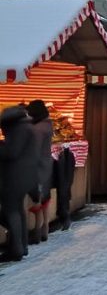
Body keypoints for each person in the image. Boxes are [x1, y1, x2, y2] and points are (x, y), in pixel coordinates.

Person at [0, 106, 38, 262]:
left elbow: (11, 152)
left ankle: (16, 249)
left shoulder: (18, 129)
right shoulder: (26, 126)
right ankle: (22, 246)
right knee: (18, 211)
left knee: (11, 211)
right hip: (25, 175)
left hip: (14, 176)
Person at [27, 100, 54, 244]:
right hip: (47, 164)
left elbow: (34, 150)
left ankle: (37, 232)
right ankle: (45, 229)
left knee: (37, 199)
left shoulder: (38, 129)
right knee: (45, 199)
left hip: (38, 167)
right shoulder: (48, 124)